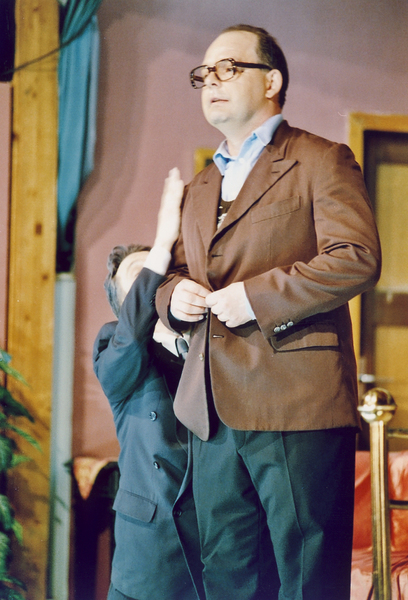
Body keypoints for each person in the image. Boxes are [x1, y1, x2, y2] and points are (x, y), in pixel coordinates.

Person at [155, 25, 382, 600]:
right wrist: (171, 298)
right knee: (227, 576)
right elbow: (177, 271)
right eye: (203, 75)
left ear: (272, 80)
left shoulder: (320, 159)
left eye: (227, 69)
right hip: (211, 412)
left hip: (296, 404)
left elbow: (355, 258)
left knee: (307, 580)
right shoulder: (202, 184)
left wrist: (256, 298)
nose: (211, 82)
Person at [93, 168, 204, 600]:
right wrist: (161, 243)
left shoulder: (205, 341)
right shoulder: (112, 346)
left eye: (158, 277)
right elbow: (129, 339)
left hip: (213, 538)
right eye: (141, 281)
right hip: (150, 547)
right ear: (125, 304)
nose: (153, 286)